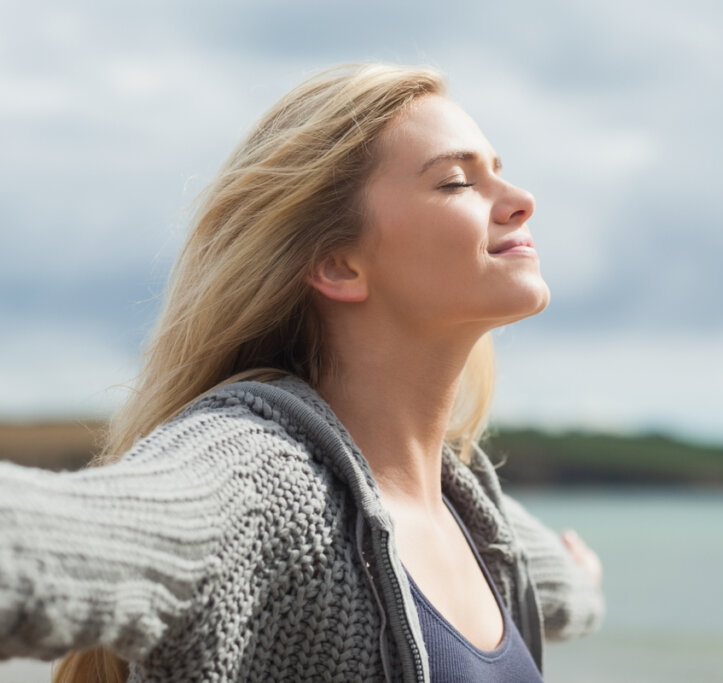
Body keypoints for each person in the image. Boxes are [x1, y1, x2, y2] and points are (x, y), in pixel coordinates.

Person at [0, 63, 604, 682]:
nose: (522, 200)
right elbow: (74, 539)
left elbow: (556, 580)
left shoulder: (471, 509)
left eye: (498, 171)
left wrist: (583, 582)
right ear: (338, 265)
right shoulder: (264, 480)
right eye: (456, 181)